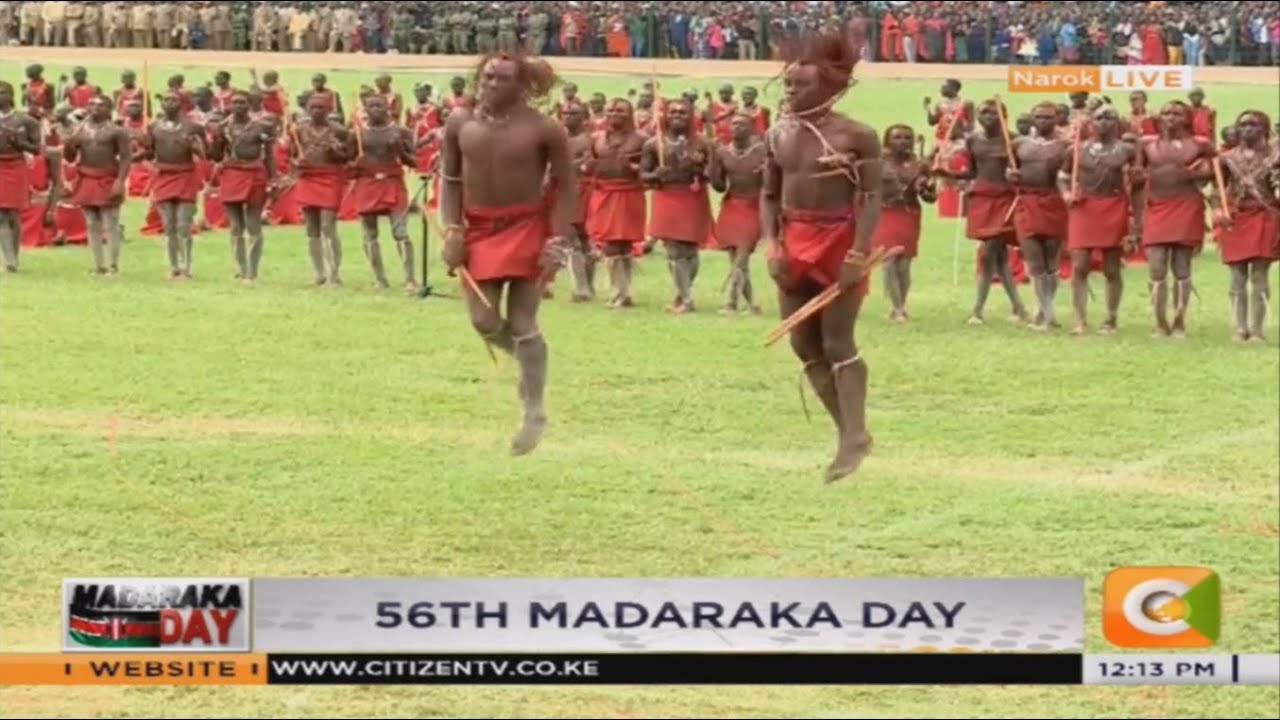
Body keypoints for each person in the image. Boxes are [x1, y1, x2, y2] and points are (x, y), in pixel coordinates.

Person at [439, 51, 576, 457]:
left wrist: (559, 240)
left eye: (501, 79)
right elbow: (450, 179)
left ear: (521, 86)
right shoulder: (459, 122)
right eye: (487, 76)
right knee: (483, 320)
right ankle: (530, 365)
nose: (490, 84)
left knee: (522, 319)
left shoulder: (544, 129)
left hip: (527, 227)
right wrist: (452, 229)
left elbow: (568, 186)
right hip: (478, 230)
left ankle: (533, 408)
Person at [760, 31, 882, 484]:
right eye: (787, 85)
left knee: (837, 342)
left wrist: (857, 253)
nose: (789, 92)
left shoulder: (857, 135)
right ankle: (849, 432)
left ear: (828, 88)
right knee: (803, 345)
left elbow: (871, 197)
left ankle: (853, 436)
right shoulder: (777, 133)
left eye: (799, 86)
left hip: (838, 240)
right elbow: (769, 197)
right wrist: (773, 246)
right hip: (793, 239)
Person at [942, 99, 1029, 325]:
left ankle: (978, 310)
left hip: (1003, 198)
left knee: (990, 251)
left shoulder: (1013, 141)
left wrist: (1017, 176)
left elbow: (1023, 171)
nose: (988, 117)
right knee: (998, 256)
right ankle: (1018, 307)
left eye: (993, 113)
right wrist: (948, 173)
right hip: (981, 197)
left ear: (1003, 116)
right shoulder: (973, 140)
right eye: (984, 113)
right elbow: (972, 171)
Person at [1137, 101, 1216, 338]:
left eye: (1176, 113)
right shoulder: (1146, 144)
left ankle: (1180, 322)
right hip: (1156, 207)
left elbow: (1218, 172)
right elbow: (1137, 179)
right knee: (1156, 265)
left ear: (1186, 118)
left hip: (1187, 206)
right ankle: (1160, 322)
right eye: (1166, 113)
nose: (1170, 117)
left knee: (1182, 266)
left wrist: (1201, 173)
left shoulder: (1200, 144)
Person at [1064, 105, 1140, 335]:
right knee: (1080, 265)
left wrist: (1135, 216)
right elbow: (1063, 175)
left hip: (1114, 205)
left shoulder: (1126, 150)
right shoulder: (1077, 149)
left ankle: (1111, 318)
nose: (1104, 122)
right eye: (1099, 118)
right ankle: (1079, 318)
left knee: (1111, 267)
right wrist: (1066, 194)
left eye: (1109, 117)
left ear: (1117, 122)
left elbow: (1137, 183)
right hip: (1084, 207)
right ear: (1091, 123)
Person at [641, 96, 712, 314]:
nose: (677, 116)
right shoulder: (654, 144)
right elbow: (643, 175)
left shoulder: (702, 143)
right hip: (667, 197)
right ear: (665, 115)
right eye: (673, 112)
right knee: (673, 250)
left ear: (691, 116)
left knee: (690, 249)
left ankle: (682, 295)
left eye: (682, 112)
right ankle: (687, 299)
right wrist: (655, 174)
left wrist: (700, 166)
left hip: (692, 197)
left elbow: (713, 175)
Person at [1212, 110, 1279, 343]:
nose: (1247, 129)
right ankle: (1239, 327)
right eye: (1243, 125)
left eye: (1253, 124)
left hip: (1265, 216)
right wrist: (1219, 209)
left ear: (1264, 129)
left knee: (1260, 275)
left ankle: (1257, 329)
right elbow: (1216, 190)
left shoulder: (1275, 156)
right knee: (1237, 276)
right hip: (1237, 218)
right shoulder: (1226, 158)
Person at [1009, 101, 1070, 330]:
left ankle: (1046, 311)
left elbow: (1069, 174)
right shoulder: (1019, 144)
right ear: (1033, 119)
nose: (1043, 121)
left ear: (1056, 119)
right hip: (1026, 202)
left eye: (1048, 117)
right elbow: (1010, 168)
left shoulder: (1065, 146)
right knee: (1034, 259)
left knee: (1051, 261)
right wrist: (1011, 174)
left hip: (1053, 202)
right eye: (1039, 117)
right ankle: (1045, 312)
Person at [349, 93, 417, 293]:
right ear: (365, 109)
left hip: (393, 184)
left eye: (380, 106)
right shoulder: (358, 134)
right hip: (367, 184)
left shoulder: (401, 132)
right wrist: (356, 163)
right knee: (370, 234)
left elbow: (414, 161)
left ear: (388, 107)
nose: (376, 110)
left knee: (400, 232)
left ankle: (410, 279)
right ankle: (380, 279)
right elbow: (347, 165)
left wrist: (401, 152)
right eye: (372, 106)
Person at [210, 91, 278, 284]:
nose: (238, 106)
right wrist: (215, 138)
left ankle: (253, 269)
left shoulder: (261, 127)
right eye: (235, 103)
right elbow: (215, 155)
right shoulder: (224, 127)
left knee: (253, 222)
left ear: (250, 105)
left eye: (242, 103)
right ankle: (241, 267)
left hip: (255, 173)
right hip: (231, 173)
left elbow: (270, 156)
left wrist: (274, 179)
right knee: (235, 224)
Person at [585, 98, 647, 308]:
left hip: (630, 194)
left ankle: (622, 291)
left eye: (620, 111)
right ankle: (619, 291)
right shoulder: (596, 138)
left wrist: (637, 169)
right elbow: (588, 164)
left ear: (629, 114)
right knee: (609, 244)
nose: (614, 114)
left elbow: (651, 170)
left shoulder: (642, 139)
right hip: (604, 194)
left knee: (623, 243)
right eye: (611, 110)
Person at [138, 91, 206, 280]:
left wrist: (194, 148)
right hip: (163, 177)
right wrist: (141, 146)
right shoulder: (154, 127)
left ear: (181, 103)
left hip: (186, 175)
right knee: (168, 225)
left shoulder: (193, 127)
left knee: (184, 224)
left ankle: (186, 266)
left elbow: (206, 155)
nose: (169, 103)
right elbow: (149, 154)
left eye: (174, 100)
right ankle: (173, 266)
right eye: (166, 100)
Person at [871, 123, 935, 323]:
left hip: (908, 213)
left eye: (907, 138)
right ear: (887, 140)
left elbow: (931, 198)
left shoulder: (920, 165)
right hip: (884, 213)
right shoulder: (876, 162)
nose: (902, 142)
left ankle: (901, 304)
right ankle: (897, 308)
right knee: (888, 261)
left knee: (904, 264)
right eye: (897, 137)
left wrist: (926, 189)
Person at [62, 95, 131, 276]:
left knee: (111, 223)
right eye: (91, 104)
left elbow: (125, 158)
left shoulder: (117, 131)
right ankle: (98, 265)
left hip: (107, 179)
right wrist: (69, 142)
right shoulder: (80, 130)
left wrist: (120, 181)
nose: (95, 108)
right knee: (91, 223)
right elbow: (69, 157)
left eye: (100, 105)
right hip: (86, 178)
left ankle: (113, 265)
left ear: (109, 109)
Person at [289, 94, 351, 286]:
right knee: (311, 227)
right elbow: (291, 155)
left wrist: (336, 152)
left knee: (328, 225)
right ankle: (319, 271)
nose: (316, 111)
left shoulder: (339, 131)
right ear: (307, 109)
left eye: (321, 107)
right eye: (313, 107)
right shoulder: (298, 131)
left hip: (330, 178)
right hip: (308, 178)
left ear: (329, 110)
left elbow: (348, 156)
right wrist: (297, 162)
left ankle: (334, 271)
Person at [708, 111, 766, 315]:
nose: (736, 128)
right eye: (733, 124)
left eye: (741, 124)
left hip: (754, 207)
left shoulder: (763, 151)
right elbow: (719, 186)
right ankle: (751, 303)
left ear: (751, 127)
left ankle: (730, 302)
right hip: (732, 206)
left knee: (742, 256)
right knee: (736, 259)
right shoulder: (724, 152)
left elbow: (775, 182)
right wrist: (712, 163)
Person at [0, 81, 47, 273]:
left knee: (13, 214)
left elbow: (37, 149)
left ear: (11, 96)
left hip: (15, 167)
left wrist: (21, 143)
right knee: (1, 214)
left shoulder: (26, 121)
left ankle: (15, 256)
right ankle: (9, 260)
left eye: (2, 92)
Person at [561, 102, 597, 302]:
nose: (567, 116)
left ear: (584, 117)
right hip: (564, 191)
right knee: (571, 236)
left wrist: (565, 166)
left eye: (573, 113)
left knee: (584, 237)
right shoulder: (560, 138)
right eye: (565, 112)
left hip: (584, 190)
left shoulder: (588, 140)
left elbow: (589, 163)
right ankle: (582, 286)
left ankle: (586, 285)